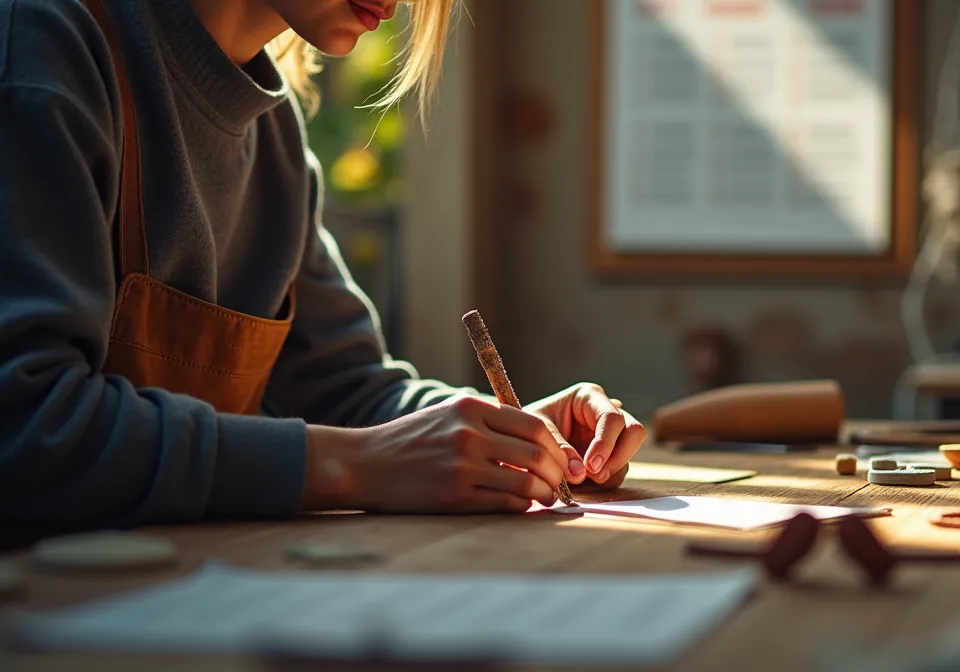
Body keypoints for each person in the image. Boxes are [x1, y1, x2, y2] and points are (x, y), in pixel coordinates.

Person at [0, 0, 645, 531]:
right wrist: (354, 465)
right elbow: (28, 428)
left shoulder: (276, 138)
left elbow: (350, 390)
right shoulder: (46, 45)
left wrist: (508, 435)